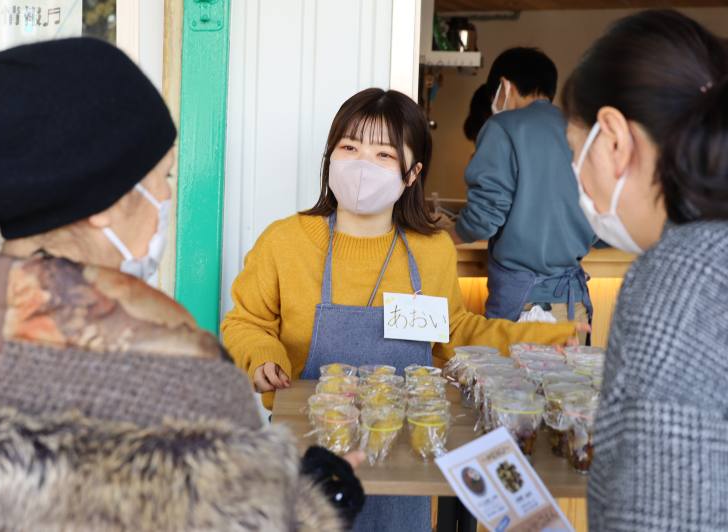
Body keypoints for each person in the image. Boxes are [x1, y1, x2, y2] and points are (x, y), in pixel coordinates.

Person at [0, 37, 365, 531]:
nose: (166, 195)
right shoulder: (186, 386)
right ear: (107, 204)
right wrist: (316, 496)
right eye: (164, 176)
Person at [222, 88, 586, 532]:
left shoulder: (430, 250)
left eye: (382, 155)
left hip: (406, 450)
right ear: (330, 156)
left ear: (411, 173)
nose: (361, 164)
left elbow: (456, 332)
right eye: (349, 147)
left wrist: (549, 338)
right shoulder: (285, 242)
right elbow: (247, 322)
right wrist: (262, 357)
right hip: (311, 445)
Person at [561, 10, 728, 530]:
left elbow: (661, 512)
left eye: (574, 152)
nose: (580, 183)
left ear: (612, 138)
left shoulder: (678, 282)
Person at [453, 48, 598, 337]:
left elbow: (484, 218)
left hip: (525, 310)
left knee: (508, 383)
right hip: (574, 305)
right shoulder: (579, 129)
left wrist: (446, 236)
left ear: (505, 86)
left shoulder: (503, 127)